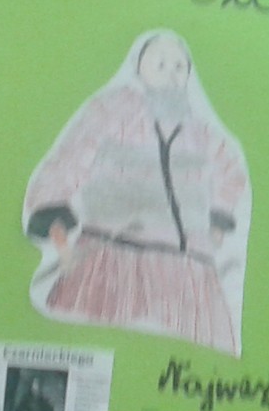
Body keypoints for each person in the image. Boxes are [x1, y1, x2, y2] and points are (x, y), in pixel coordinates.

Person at [23, 31, 251, 355]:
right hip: (111, 257)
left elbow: (231, 173)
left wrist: (214, 230)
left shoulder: (200, 129)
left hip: (186, 268)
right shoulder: (111, 111)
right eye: (160, 63)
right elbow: (69, 161)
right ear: (138, 67)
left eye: (179, 66)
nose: (171, 73)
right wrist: (61, 243)